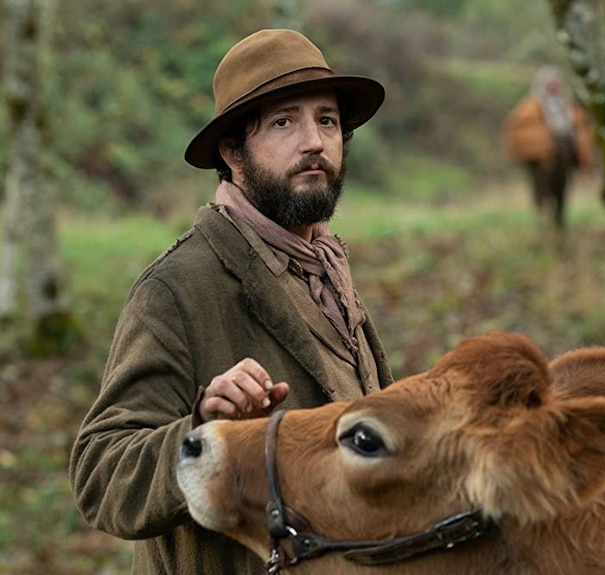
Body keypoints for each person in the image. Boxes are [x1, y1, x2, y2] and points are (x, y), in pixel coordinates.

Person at [69, 28, 394, 574]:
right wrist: (201, 429)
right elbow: (101, 475)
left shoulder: (326, 264)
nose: (314, 141)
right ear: (232, 152)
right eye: (284, 122)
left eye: (327, 120)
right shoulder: (175, 290)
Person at [504, 66, 594, 230]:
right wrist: (544, 139)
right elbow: (521, 130)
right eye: (552, 84)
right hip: (541, 160)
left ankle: (559, 223)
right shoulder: (530, 107)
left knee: (561, 190)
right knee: (542, 192)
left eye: (557, 83)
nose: (556, 87)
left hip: (563, 156)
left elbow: (579, 127)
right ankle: (543, 223)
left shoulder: (566, 106)